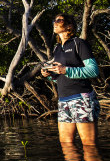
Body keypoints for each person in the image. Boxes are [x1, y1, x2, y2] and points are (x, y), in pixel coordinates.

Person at [41, 14, 100, 145]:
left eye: (59, 20)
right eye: (54, 20)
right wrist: (50, 75)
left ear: (69, 26)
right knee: (66, 144)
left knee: (89, 145)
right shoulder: (57, 49)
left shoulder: (79, 43)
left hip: (81, 98)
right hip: (63, 101)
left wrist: (66, 70)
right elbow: (61, 77)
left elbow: (93, 70)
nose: (55, 23)